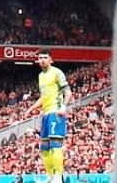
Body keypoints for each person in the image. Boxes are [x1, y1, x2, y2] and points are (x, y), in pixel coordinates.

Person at [28, 49, 71, 183]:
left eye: (45, 57)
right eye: (40, 58)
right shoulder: (41, 76)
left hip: (55, 113)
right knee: (44, 148)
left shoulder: (57, 72)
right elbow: (44, 96)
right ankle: (50, 176)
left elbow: (68, 92)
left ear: (51, 60)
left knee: (55, 145)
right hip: (46, 114)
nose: (42, 60)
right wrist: (31, 108)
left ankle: (58, 176)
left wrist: (63, 107)